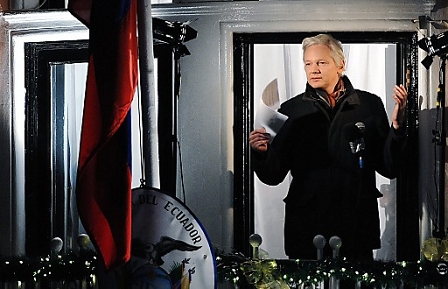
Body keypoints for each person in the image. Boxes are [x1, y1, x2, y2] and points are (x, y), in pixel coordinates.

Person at [249, 34, 408, 262]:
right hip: (307, 228)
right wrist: (262, 153)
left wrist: (397, 128)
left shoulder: (369, 105)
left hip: (356, 226)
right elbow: (273, 175)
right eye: (308, 63)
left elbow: (389, 167)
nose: (313, 69)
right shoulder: (290, 110)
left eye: (321, 63)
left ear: (340, 64)